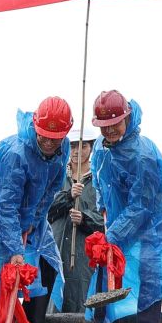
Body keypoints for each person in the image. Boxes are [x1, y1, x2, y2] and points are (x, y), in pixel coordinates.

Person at [0, 97, 74, 323]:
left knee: (46, 264)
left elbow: (52, 187)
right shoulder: (16, 154)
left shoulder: (62, 149)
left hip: (32, 215)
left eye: (56, 138)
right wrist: (15, 247)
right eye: (45, 136)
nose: (50, 143)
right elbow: (5, 205)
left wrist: (33, 219)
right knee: (9, 271)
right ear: (35, 127)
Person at [88, 90, 162, 323]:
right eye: (104, 126)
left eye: (114, 124)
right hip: (115, 217)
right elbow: (98, 178)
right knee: (105, 264)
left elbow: (142, 205)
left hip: (151, 220)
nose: (109, 130)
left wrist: (114, 234)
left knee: (149, 268)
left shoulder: (142, 154)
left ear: (127, 118)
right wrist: (102, 206)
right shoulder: (100, 147)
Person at [50, 126, 104, 310]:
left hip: (85, 258)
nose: (77, 151)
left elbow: (106, 221)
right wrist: (67, 196)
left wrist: (84, 219)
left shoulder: (99, 180)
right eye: (73, 146)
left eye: (83, 146)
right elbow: (43, 211)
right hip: (55, 250)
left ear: (91, 148)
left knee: (84, 301)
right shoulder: (56, 175)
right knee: (52, 302)